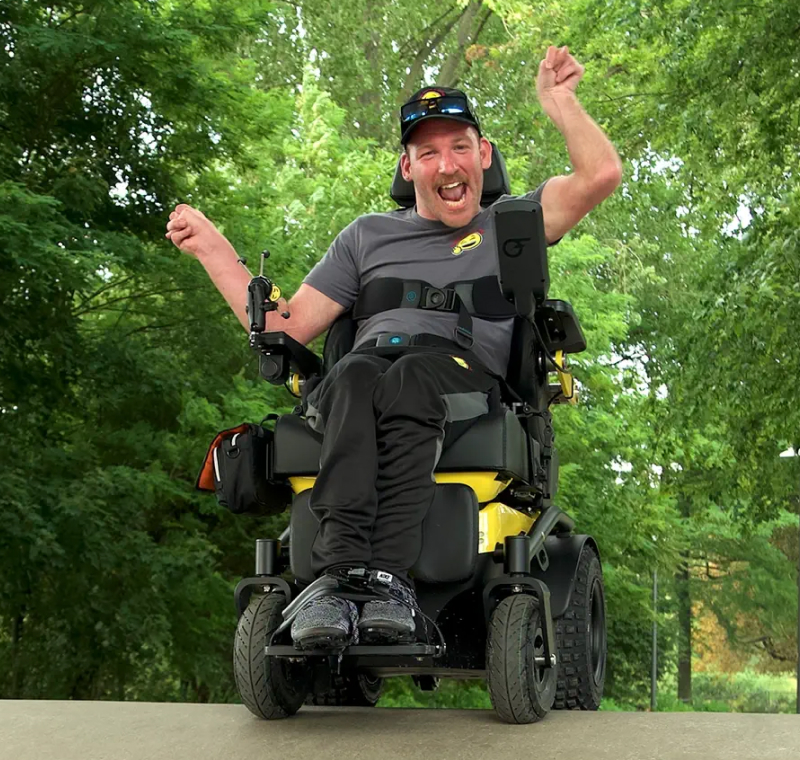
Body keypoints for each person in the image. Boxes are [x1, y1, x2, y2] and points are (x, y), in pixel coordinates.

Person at [166, 46, 622, 651]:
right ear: (408, 169)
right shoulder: (366, 237)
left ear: (483, 155)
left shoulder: (512, 221)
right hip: (370, 371)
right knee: (350, 377)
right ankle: (339, 578)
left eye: (460, 146)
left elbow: (599, 177)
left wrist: (560, 101)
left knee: (407, 377)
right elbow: (289, 324)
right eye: (428, 152)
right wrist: (214, 251)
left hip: (460, 372)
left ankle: (387, 577)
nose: (447, 163)